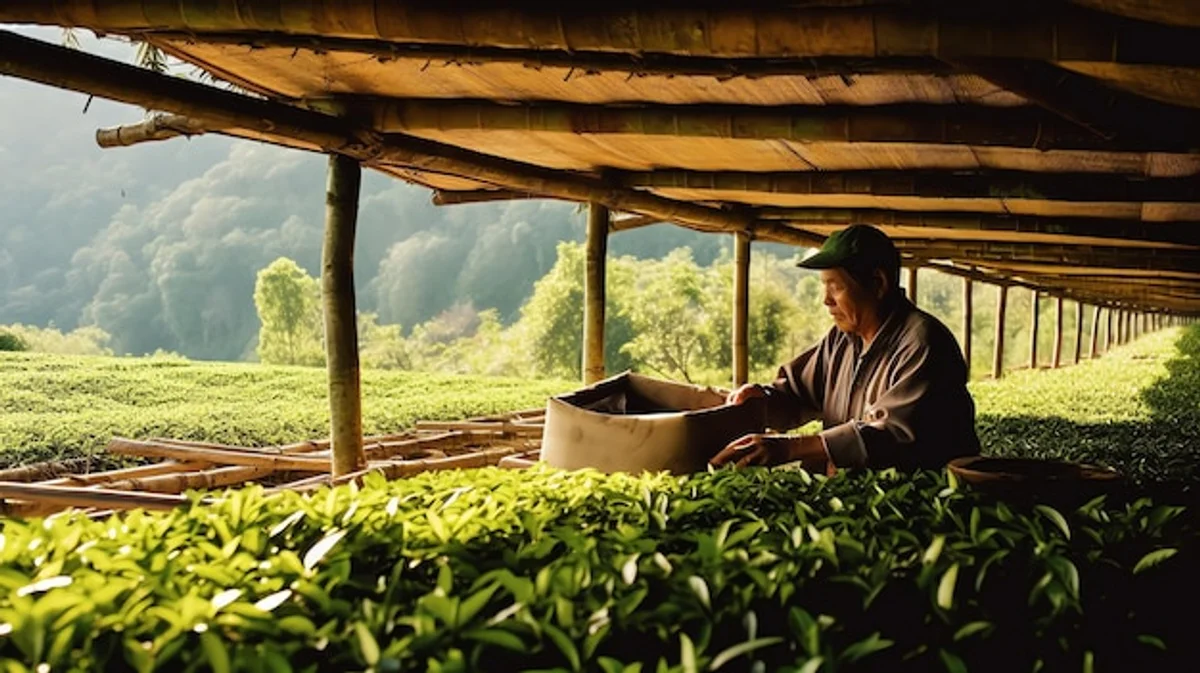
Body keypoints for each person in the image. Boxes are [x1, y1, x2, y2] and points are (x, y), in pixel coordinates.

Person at [709, 224, 980, 473]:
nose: (826, 300)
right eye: (824, 287)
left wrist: (789, 448)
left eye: (835, 287)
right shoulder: (840, 339)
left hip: (924, 501)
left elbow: (893, 433)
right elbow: (797, 392)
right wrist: (762, 397)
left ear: (878, 283)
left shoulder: (923, 343)